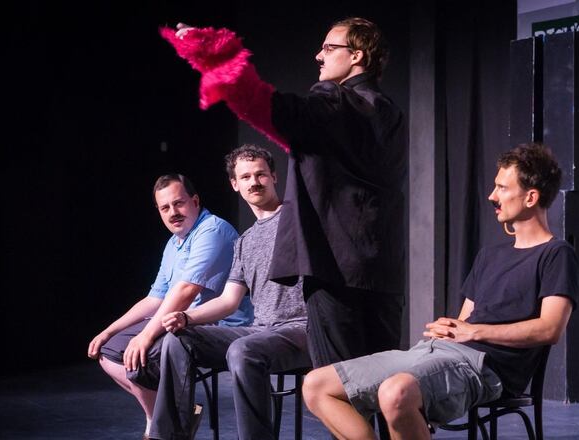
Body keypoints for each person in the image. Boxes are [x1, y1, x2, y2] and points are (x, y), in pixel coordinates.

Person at [160, 17, 407, 368]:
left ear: (357, 56)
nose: (318, 56)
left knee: (336, 390)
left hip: (336, 271)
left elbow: (274, 111)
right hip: (382, 273)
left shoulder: (335, 99)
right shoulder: (390, 112)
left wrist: (217, 59)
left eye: (328, 48)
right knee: (382, 384)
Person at [301, 143, 579, 440]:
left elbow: (550, 329)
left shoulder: (556, 254)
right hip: (438, 352)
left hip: (487, 368)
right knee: (316, 385)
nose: (492, 196)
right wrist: (450, 328)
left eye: (501, 187)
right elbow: (464, 321)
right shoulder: (490, 255)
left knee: (395, 393)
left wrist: (474, 332)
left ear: (530, 197)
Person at [148, 145, 311, 440]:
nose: (254, 182)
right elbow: (228, 301)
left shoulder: (298, 220)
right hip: (262, 330)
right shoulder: (245, 242)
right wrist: (186, 316)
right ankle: (169, 436)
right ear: (235, 185)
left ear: (274, 177)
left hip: (301, 328)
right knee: (177, 339)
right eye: (245, 176)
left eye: (261, 174)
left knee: (242, 351)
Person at [86, 174, 253, 438]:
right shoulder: (173, 244)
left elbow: (186, 292)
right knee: (108, 351)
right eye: (165, 208)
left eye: (179, 204)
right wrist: (108, 331)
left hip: (215, 325)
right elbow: (155, 298)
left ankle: (167, 425)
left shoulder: (212, 230)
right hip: (177, 321)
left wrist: (145, 335)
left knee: (141, 355)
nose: (173, 212)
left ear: (195, 201)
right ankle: (166, 416)